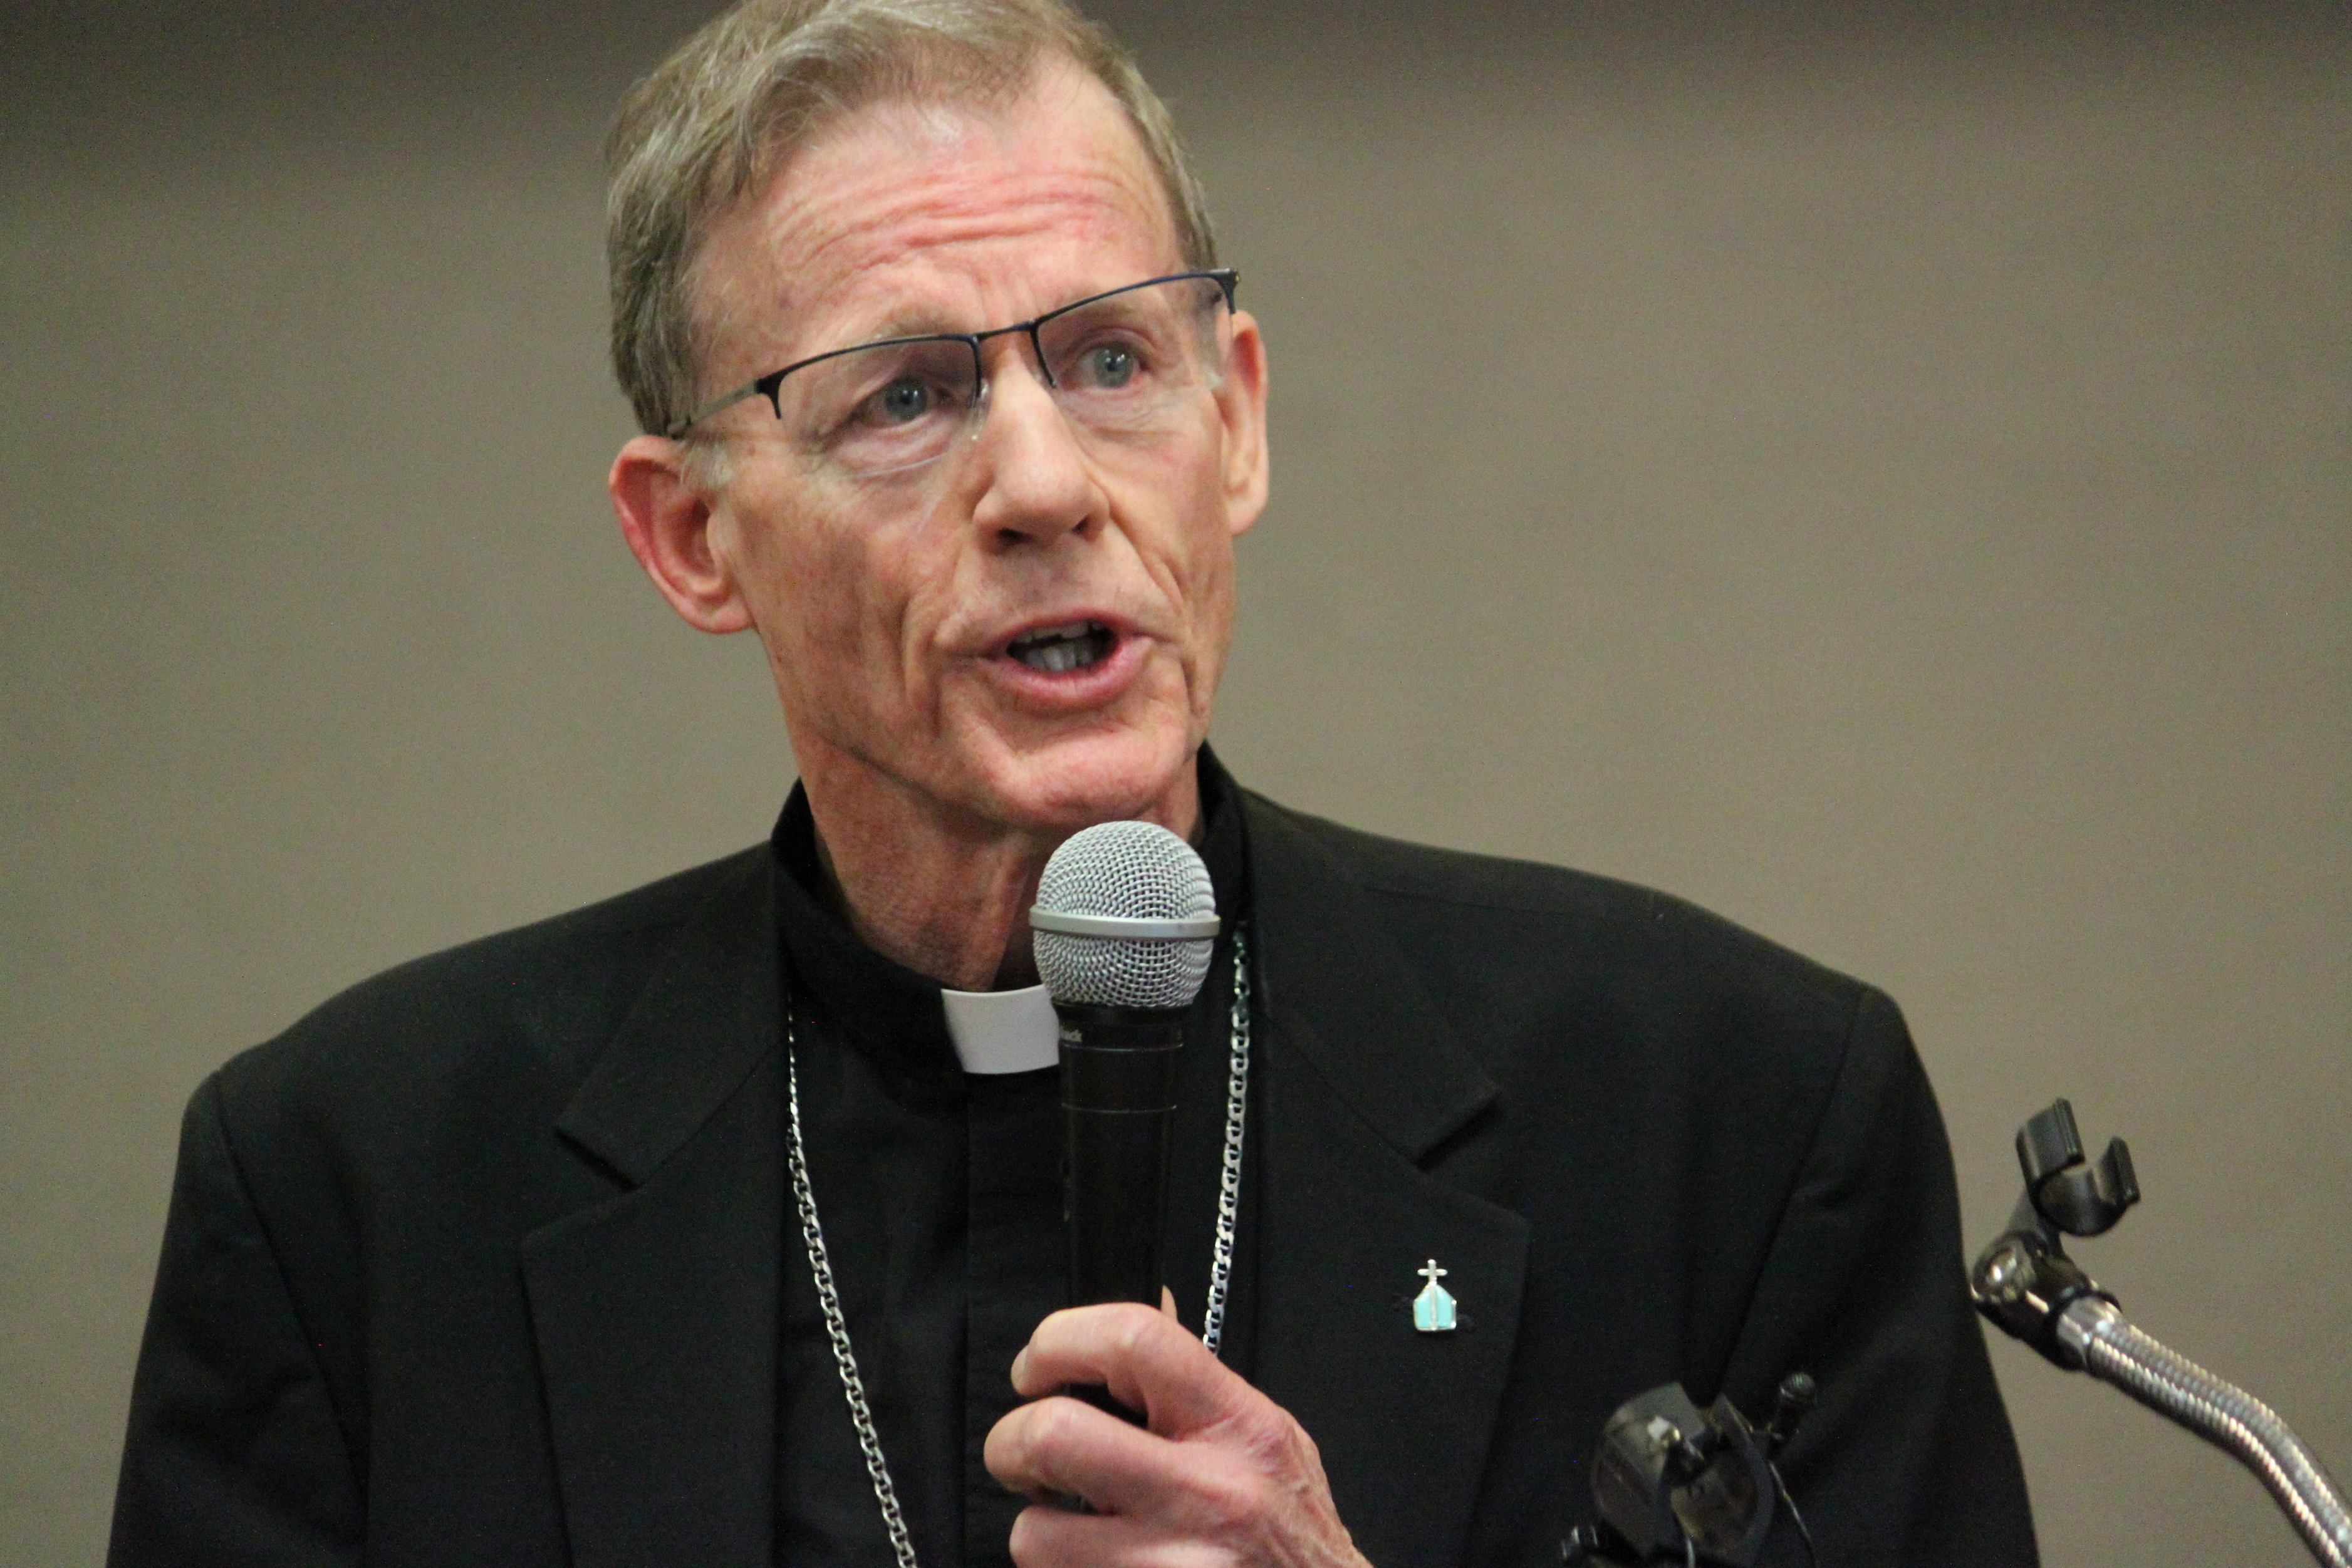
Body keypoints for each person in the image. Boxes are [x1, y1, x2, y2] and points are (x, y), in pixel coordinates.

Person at [107, 1, 2039, 1564]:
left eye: (1112, 359)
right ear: (690, 538)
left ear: (1239, 420)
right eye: (904, 394)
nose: (1045, 484)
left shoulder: (1734, 1117)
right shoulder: (354, 1194)